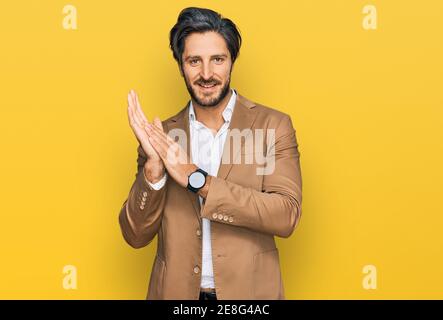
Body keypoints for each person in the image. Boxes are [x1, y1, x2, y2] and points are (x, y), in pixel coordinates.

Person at [119, 7, 302, 300]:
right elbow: (135, 235)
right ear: (181, 65)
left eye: (217, 59)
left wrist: (197, 179)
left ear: (231, 61)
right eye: (194, 61)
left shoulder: (274, 126)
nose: (206, 74)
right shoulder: (160, 137)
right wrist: (153, 171)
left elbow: (286, 215)